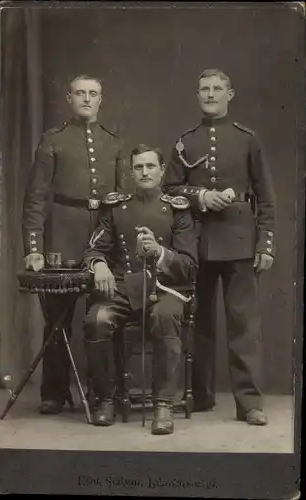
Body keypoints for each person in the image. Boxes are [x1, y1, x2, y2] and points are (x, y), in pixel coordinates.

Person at [163, 68, 276, 425]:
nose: (210, 94)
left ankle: (250, 404)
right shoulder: (185, 142)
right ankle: (200, 397)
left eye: (217, 89)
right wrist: (201, 196)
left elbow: (267, 197)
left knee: (244, 325)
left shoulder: (248, 140)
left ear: (230, 94)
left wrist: (266, 244)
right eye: (204, 89)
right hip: (198, 243)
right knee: (199, 323)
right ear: (197, 96)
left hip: (241, 241)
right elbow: (170, 189)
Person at [22, 74, 127, 415]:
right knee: (57, 320)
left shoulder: (114, 144)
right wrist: (34, 248)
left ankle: (103, 393)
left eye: (93, 93)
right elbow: (36, 198)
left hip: (103, 239)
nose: (86, 98)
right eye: (80, 93)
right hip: (62, 236)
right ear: (69, 98)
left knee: (104, 314)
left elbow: (123, 201)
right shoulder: (53, 140)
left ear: (101, 99)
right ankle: (54, 392)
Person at [82, 144, 198, 434]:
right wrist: (99, 265)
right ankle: (107, 398)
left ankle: (163, 405)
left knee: (165, 317)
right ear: (131, 172)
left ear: (161, 171)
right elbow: (93, 249)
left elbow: (189, 266)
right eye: (138, 167)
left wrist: (159, 251)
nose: (144, 172)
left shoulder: (178, 210)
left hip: (167, 288)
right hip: (124, 287)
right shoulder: (116, 208)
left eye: (150, 166)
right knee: (96, 319)